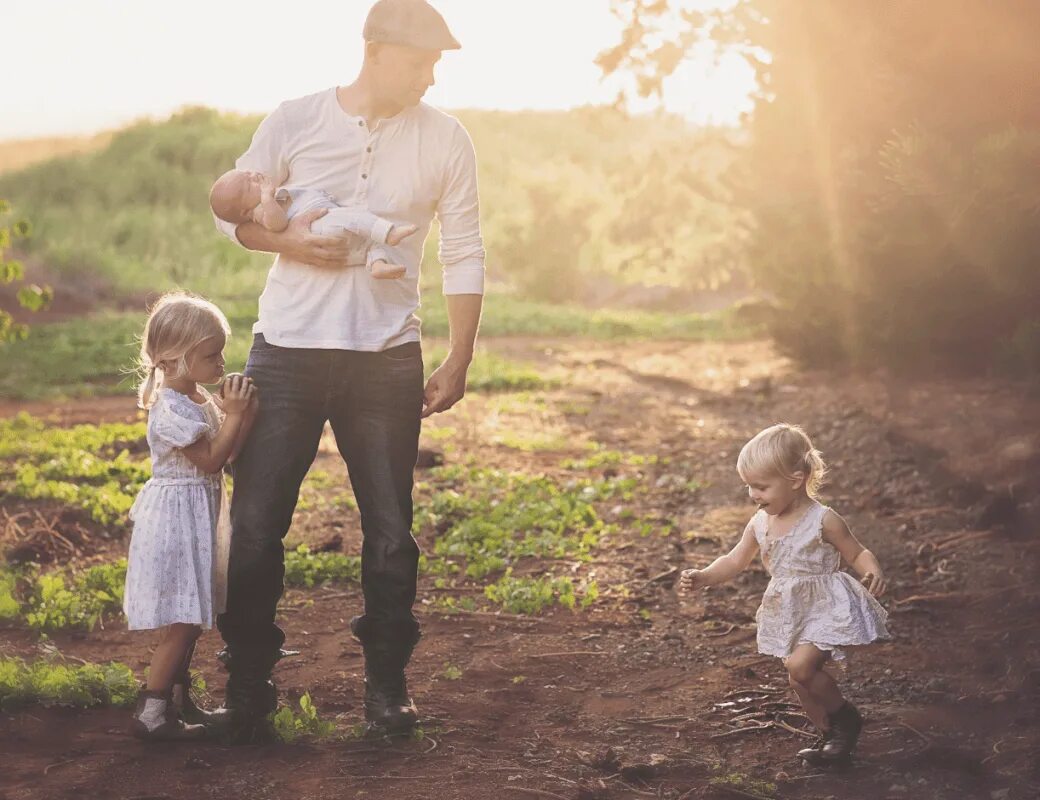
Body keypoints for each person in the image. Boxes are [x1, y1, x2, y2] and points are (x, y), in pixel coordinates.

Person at [210, 0, 485, 743]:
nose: (431, 77)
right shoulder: (294, 119)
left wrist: (459, 355)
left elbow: (463, 247)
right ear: (378, 51)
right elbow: (229, 214)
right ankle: (247, 688)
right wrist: (290, 245)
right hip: (287, 353)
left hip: (386, 361)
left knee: (392, 531)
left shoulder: (446, 138)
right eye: (422, 61)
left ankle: (387, 688)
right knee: (259, 526)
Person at [679, 423, 890, 764]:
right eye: (749, 486)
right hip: (789, 609)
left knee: (802, 667)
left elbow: (856, 552)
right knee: (797, 679)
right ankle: (830, 741)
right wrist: (704, 576)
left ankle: (846, 719)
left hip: (825, 604)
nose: (753, 495)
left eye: (761, 487)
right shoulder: (759, 522)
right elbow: (735, 560)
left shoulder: (824, 520)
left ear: (795, 479)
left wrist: (872, 570)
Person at [124, 292, 258, 740]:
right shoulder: (170, 409)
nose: (221, 362)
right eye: (210, 355)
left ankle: (179, 704)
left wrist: (243, 416)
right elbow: (211, 460)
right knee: (181, 623)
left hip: (196, 518)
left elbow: (230, 450)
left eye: (221, 352)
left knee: (193, 618)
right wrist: (234, 415)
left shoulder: (198, 397)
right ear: (173, 360)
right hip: (176, 524)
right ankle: (152, 713)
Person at [209, 169, 418, 279]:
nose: (253, 176)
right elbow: (277, 225)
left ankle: (377, 265)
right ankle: (388, 232)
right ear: (245, 211)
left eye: (248, 174)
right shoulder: (261, 210)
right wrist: (266, 197)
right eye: (248, 184)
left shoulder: (262, 200)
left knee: (368, 244)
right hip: (319, 224)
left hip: (328, 232)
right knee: (355, 216)